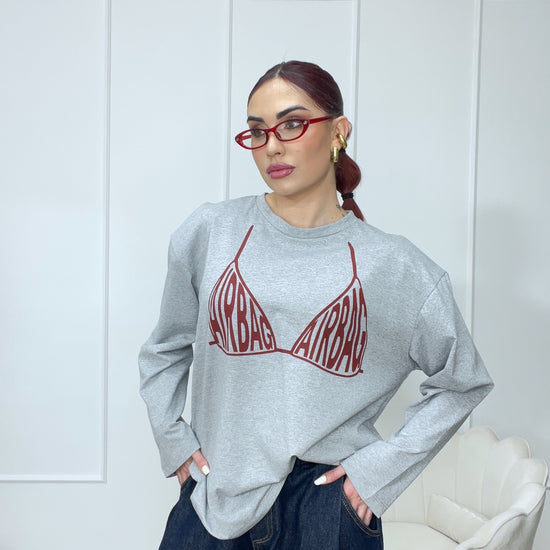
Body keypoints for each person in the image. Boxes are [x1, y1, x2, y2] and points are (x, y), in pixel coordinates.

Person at [138, 60, 494, 549]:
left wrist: (377, 473)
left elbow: (463, 381)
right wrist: (173, 440)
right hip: (214, 500)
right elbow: (163, 349)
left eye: (292, 124)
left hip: (327, 509)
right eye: (257, 131)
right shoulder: (210, 232)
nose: (272, 146)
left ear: (338, 132)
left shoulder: (395, 266)